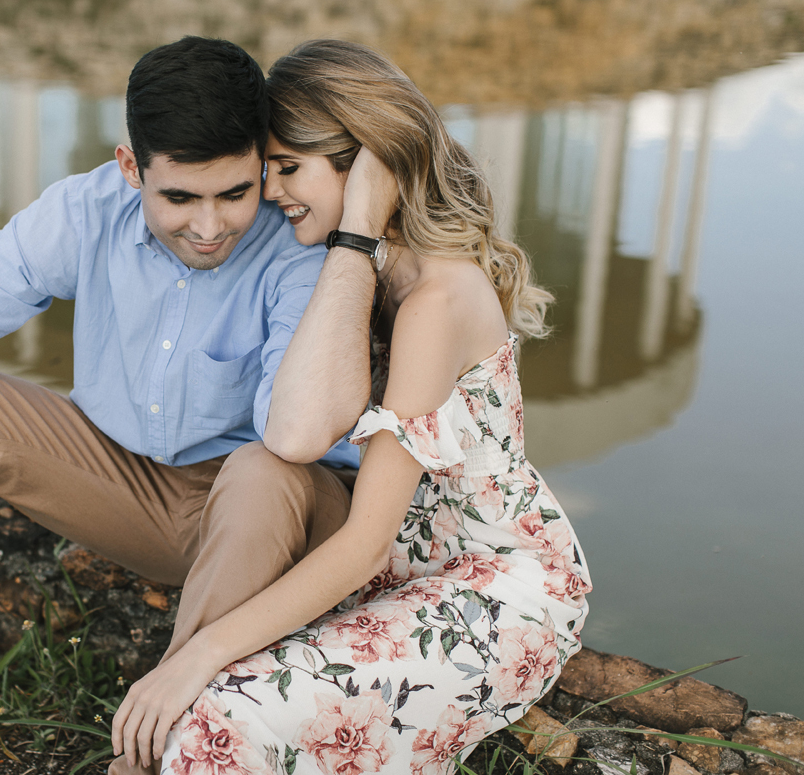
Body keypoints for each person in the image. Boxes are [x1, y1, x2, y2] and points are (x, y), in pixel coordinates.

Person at [0, 36, 362, 775]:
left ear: (260, 165)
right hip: (132, 487)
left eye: (234, 193)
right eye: (179, 198)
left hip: (280, 515)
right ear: (131, 167)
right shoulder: (87, 209)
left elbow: (297, 436)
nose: (210, 228)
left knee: (266, 470)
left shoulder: (299, 242)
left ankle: (166, 750)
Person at [109, 39, 592, 775]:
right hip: (404, 566)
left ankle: (148, 740)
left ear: (366, 164)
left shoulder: (434, 300)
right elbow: (290, 436)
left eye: (289, 168)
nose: (271, 192)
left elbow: (366, 542)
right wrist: (355, 239)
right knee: (220, 677)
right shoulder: (363, 276)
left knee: (220, 711)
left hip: (494, 589)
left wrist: (201, 654)